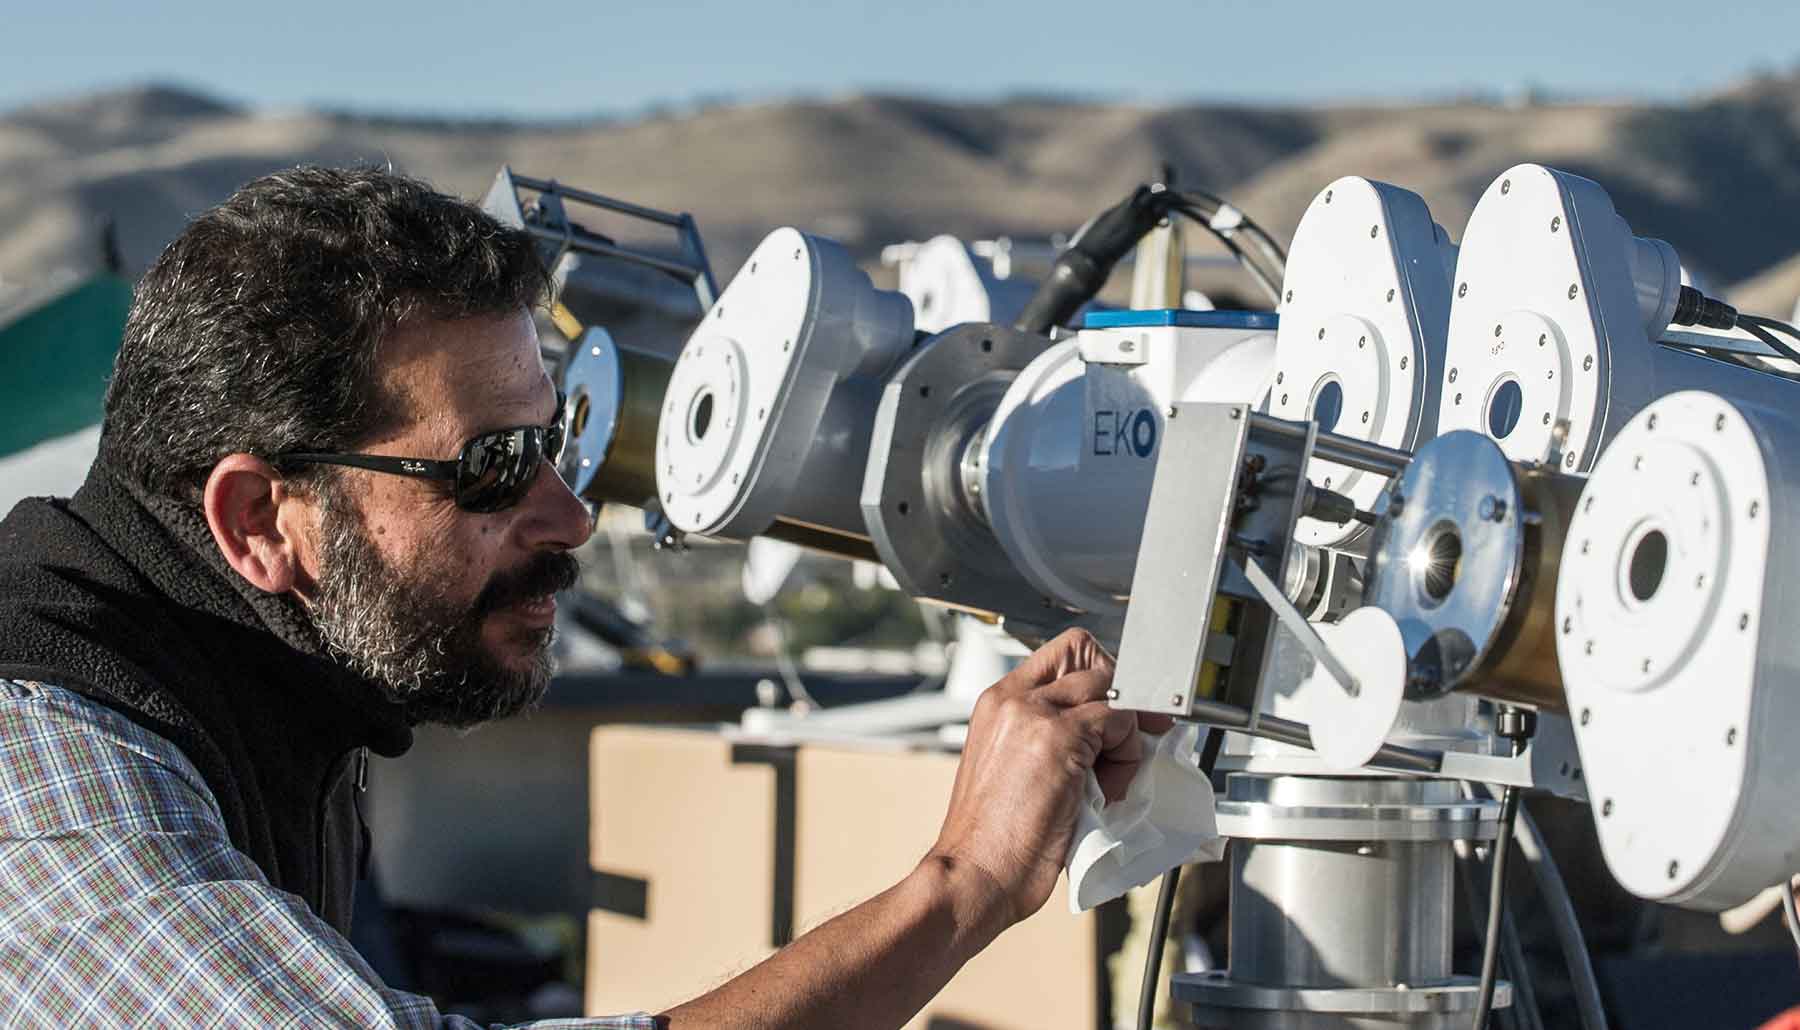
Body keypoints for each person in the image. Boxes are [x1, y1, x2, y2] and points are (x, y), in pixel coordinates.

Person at [0, 166, 1163, 1028]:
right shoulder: (54, 792)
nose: (569, 517)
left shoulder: (269, 661)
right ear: (260, 520)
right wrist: (959, 885)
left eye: (554, 443)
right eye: (494, 468)